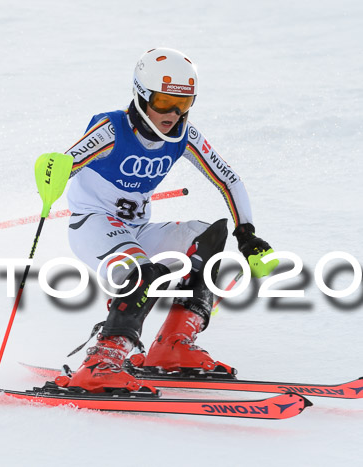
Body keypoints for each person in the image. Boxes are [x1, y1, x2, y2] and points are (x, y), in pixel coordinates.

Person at [56, 48, 277, 393]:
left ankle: (173, 345)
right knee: (142, 270)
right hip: (95, 227)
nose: (172, 114)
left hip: (138, 230)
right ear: (141, 96)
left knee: (210, 237)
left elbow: (227, 178)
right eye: (162, 102)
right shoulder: (112, 129)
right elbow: (66, 161)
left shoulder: (184, 137)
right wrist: (51, 171)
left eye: (184, 103)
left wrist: (245, 233)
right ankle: (102, 361)